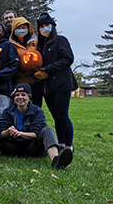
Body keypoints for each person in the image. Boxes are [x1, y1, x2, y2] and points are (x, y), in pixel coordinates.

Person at [35, 12, 77, 151]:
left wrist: (47, 69)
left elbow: (67, 59)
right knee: (56, 117)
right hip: (48, 87)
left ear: (52, 26)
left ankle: (69, 145)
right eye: (41, 26)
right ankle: (61, 143)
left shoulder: (61, 40)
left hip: (61, 84)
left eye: (46, 25)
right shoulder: (41, 46)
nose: (44, 28)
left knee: (63, 115)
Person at [9, 17, 43, 107]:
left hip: (35, 81)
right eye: (18, 28)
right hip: (20, 81)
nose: (21, 30)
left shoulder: (36, 42)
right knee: (21, 108)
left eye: (23, 28)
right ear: (14, 30)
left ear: (28, 29)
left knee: (36, 107)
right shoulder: (10, 45)